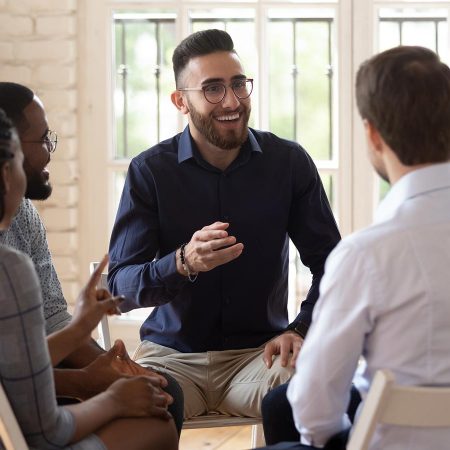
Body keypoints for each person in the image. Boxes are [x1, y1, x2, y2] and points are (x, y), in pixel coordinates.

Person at [108, 28, 340, 419]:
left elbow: (334, 266)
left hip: (260, 357)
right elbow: (118, 289)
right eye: (213, 89)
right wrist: (181, 262)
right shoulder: (150, 172)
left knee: (310, 389)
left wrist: (299, 329)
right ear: (181, 101)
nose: (232, 101)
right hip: (172, 359)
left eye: (239, 85)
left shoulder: (289, 163)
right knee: (141, 407)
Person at [258, 45, 450, 450]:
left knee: (292, 417)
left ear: (373, 134)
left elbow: (315, 410)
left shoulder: (367, 255)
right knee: (278, 404)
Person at [0, 82, 183, 434]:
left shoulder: (24, 215)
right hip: (29, 404)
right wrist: (86, 383)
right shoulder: (10, 269)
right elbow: (17, 384)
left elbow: (51, 317)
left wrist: (107, 367)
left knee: (162, 389)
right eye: (42, 141)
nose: (52, 151)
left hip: (34, 380)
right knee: (156, 416)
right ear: (8, 160)